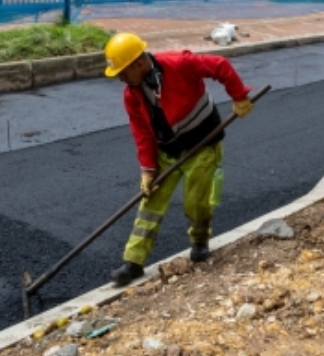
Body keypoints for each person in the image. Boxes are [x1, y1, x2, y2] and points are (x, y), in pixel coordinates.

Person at [103, 33, 253, 286]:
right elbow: (141, 133)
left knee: (196, 201)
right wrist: (148, 170)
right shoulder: (132, 94)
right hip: (167, 149)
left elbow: (220, 66)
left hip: (202, 143)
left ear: (139, 63)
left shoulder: (179, 64)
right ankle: (134, 261)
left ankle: (199, 241)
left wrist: (239, 96)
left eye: (123, 71)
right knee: (150, 202)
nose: (120, 78)